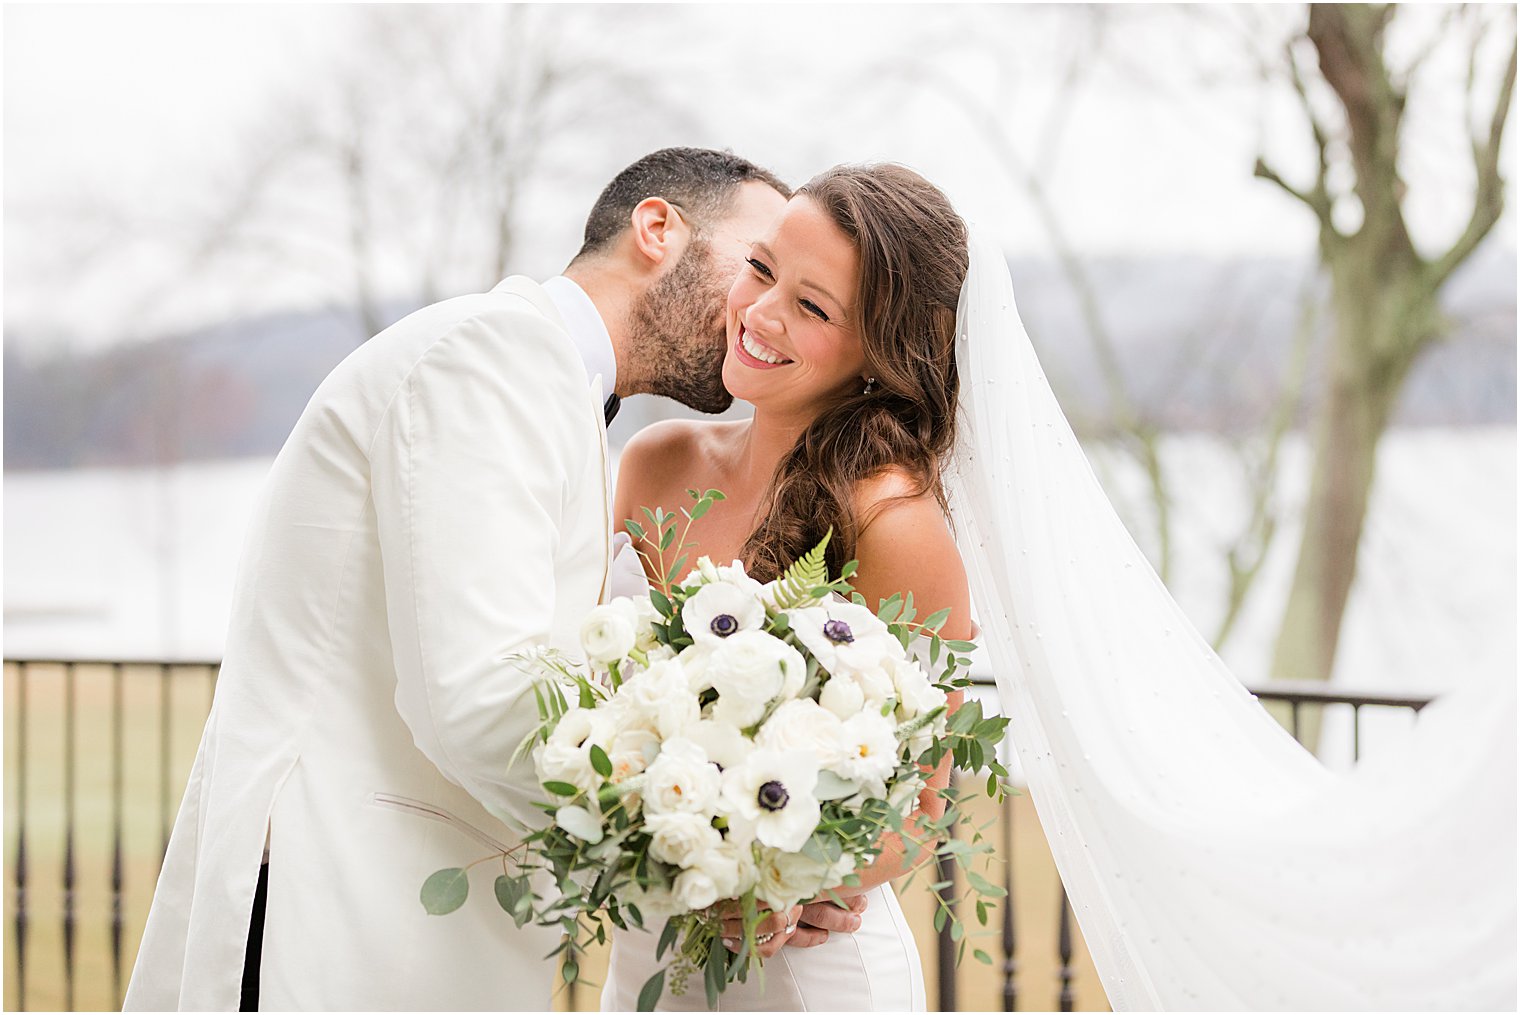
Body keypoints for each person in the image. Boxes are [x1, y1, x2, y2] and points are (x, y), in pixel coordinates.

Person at [123, 147, 803, 1012]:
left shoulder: (547, 384)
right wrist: (701, 852)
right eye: (756, 264)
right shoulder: (494, 357)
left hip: (401, 922)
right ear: (657, 228)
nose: (762, 308)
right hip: (336, 916)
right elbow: (477, 698)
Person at [605, 164, 973, 1011]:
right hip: (648, 962)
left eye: (813, 307)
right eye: (762, 268)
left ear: (879, 353)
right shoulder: (655, 463)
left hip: (808, 976)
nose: (761, 313)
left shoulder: (893, 520)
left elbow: (922, 797)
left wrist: (773, 877)